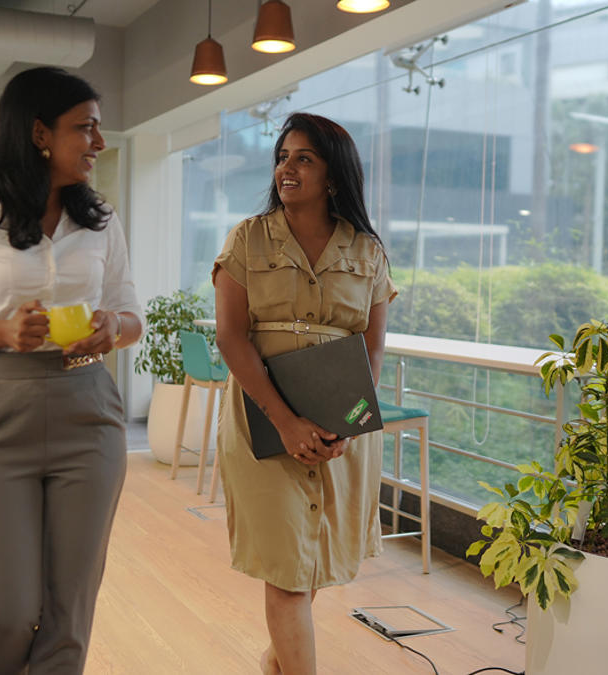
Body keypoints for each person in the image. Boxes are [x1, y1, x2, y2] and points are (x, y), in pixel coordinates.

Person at [0, 66, 143, 674]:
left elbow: (132, 315)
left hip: (88, 410)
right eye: (84, 128)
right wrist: (1, 332)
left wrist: (109, 329)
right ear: (40, 132)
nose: (98, 142)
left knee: (70, 612)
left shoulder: (101, 221)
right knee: (6, 609)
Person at [211, 112, 396, 675]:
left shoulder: (368, 252)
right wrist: (286, 421)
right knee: (288, 570)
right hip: (263, 424)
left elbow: (372, 352)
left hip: (339, 432)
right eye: (283, 157)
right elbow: (230, 337)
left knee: (309, 561)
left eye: (303, 159)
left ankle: (277, 661)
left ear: (334, 177)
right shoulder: (248, 238)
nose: (285, 168)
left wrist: (346, 425)